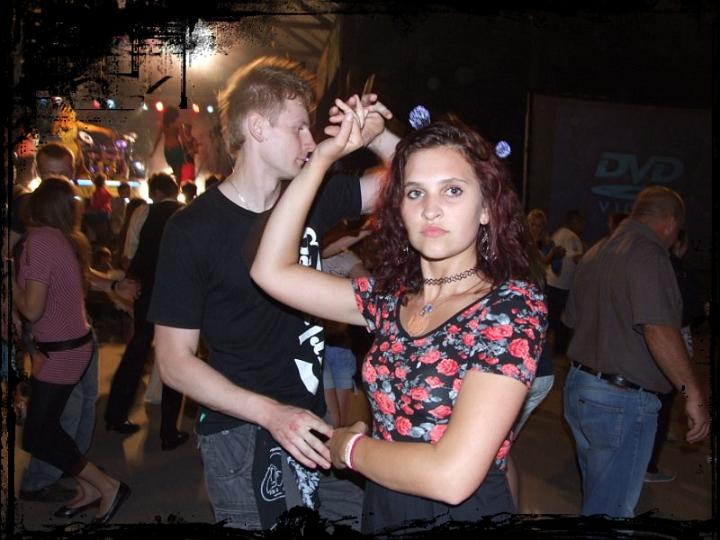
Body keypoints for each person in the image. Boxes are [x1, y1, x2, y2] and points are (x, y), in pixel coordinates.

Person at [251, 115, 547, 533]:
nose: (430, 209)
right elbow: (271, 271)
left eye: (453, 190)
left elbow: (452, 476)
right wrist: (321, 160)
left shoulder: (509, 306)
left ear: (486, 209)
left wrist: (349, 448)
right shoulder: (390, 300)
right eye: (415, 192)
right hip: (384, 502)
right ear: (400, 210)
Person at [148, 56, 397, 529]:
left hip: (311, 422)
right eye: (299, 128)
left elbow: (415, 182)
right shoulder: (192, 229)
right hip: (241, 430)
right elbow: (173, 361)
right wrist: (271, 414)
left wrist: (378, 137)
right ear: (258, 127)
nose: (312, 142)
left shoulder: (310, 197)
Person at [562, 186, 710, 517]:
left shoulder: (597, 250)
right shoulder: (649, 254)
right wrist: (693, 393)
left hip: (580, 387)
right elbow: (658, 329)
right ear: (670, 223)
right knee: (611, 513)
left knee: (598, 500)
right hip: (621, 401)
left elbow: (571, 320)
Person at [17, 142, 138, 504]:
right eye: (50, 174)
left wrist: (112, 285)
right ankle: (67, 480)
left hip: (70, 339)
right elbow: (30, 302)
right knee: (56, 423)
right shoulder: (42, 230)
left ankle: (90, 482)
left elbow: (69, 280)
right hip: (60, 342)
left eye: (63, 174)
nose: (57, 180)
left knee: (72, 417)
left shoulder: (56, 233)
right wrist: (30, 349)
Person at [104, 173, 187, 450]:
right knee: (176, 355)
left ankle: (115, 415)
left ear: (155, 192)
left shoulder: (144, 213)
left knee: (137, 351)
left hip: (147, 291)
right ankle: (169, 430)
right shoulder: (188, 212)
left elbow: (128, 257)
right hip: (177, 293)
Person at [505, 209, 562, 506]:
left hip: (528, 372)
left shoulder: (513, 264)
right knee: (498, 450)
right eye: (533, 223)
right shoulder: (529, 259)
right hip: (534, 371)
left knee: (493, 452)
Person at [545, 210, 586, 355]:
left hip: (552, 283)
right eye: (581, 222)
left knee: (551, 322)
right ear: (573, 221)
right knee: (559, 322)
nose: (583, 225)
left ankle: (551, 353)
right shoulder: (572, 237)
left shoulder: (558, 233)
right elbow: (577, 259)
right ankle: (556, 353)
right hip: (561, 286)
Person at [151, 106, 184, 181]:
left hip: (167, 150)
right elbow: (183, 139)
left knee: (175, 170)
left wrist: (153, 150)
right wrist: (187, 148)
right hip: (176, 148)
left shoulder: (163, 125)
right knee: (178, 171)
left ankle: (172, 182)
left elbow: (158, 139)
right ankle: (177, 186)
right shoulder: (178, 124)